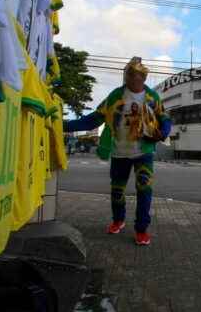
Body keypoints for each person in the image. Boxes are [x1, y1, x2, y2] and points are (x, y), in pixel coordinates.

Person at [63, 57, 171, 245]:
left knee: (144, 190)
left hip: (143, 152)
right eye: (128, 75)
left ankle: (141, 230)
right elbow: (93, 119)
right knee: (117, 191)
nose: (130, 79)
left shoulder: (152, 97)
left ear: (143, 78)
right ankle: (118, 220)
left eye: (135, 76)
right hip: (119, 153)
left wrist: (163, 132)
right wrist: (64, 125)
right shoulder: (115, 96)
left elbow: (164, 118)